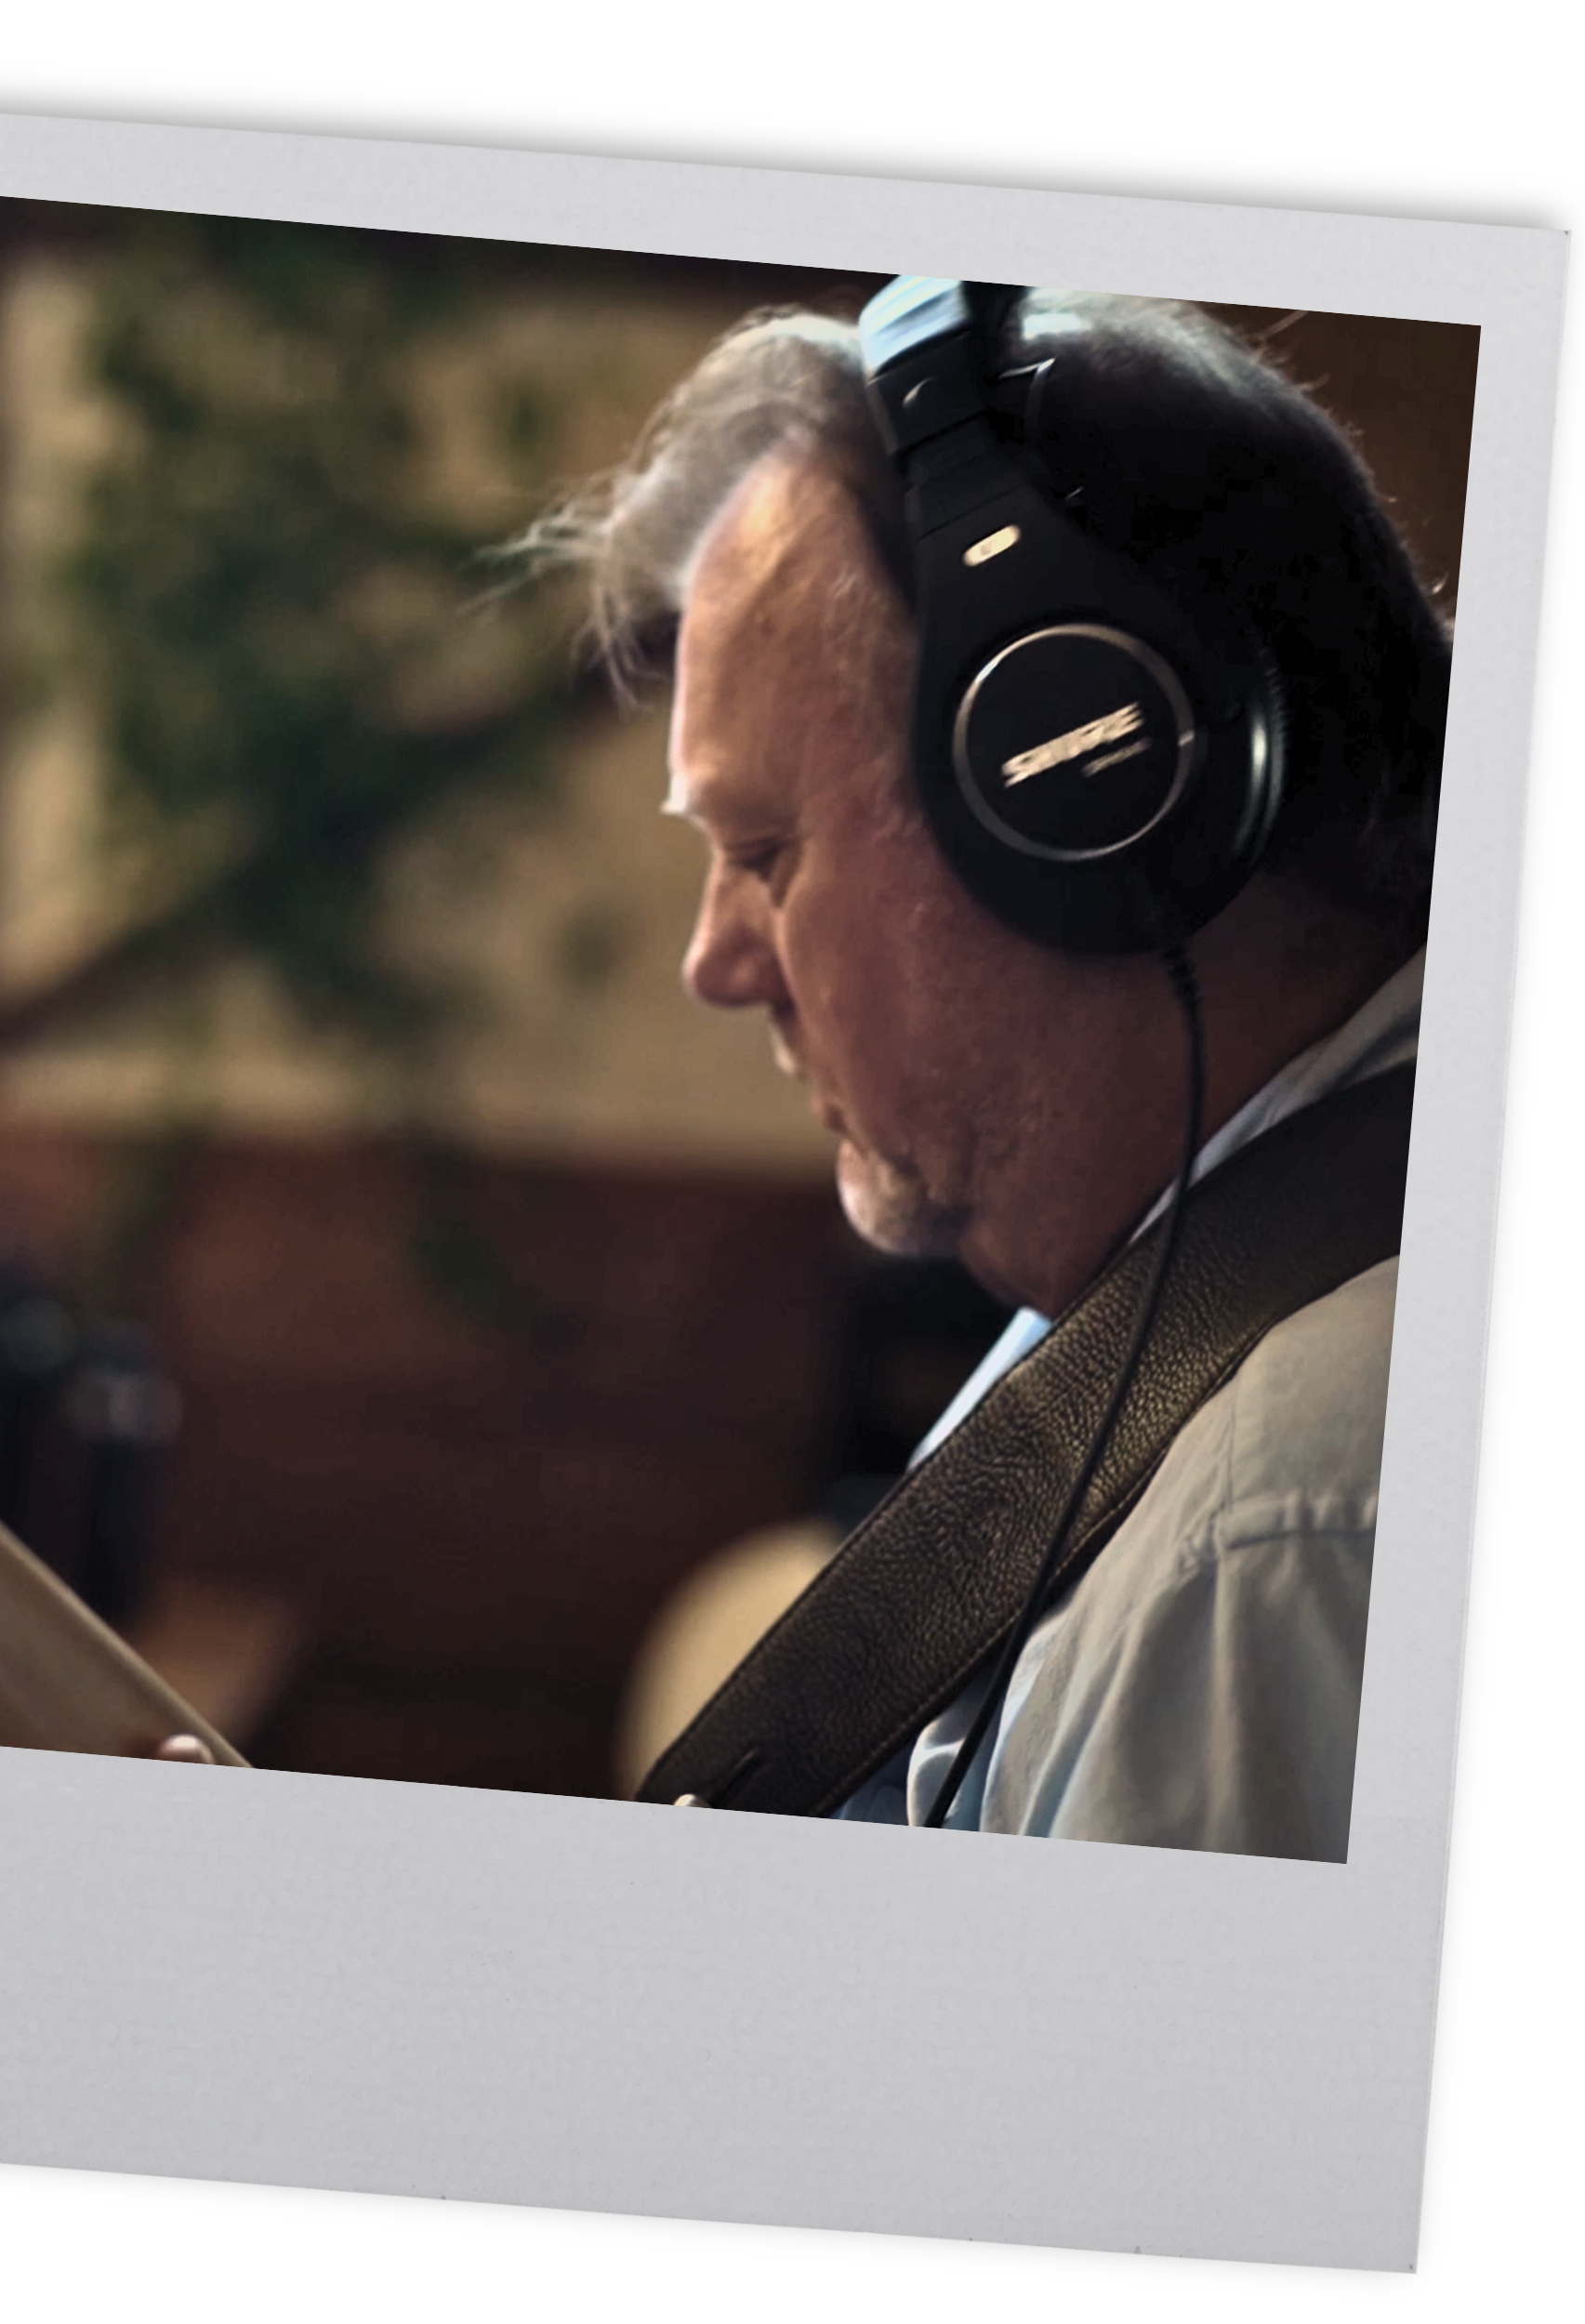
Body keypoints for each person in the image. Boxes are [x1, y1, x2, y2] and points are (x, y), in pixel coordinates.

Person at [506, 287, 1449, 1859]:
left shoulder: (1266, 1523)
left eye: (764, 850)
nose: (717, 963)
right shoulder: (1186, 1305)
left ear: (1079, 800)